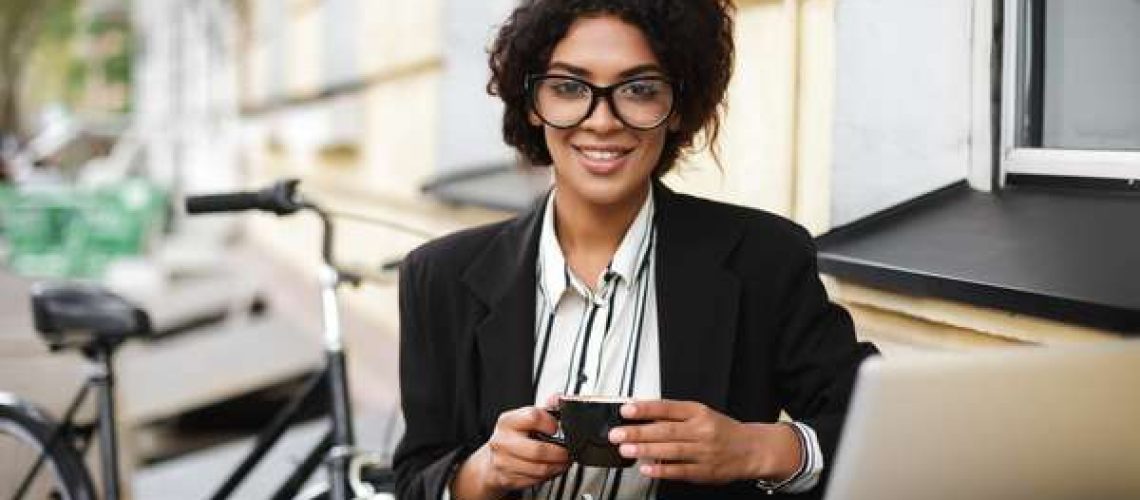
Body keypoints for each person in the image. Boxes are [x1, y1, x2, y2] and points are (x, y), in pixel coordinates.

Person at [394, 1, 878, 498]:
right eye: (568, 87)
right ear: (533, 104)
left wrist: (756, 448)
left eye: (640, 89)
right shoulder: (440, 277)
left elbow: (878, 427)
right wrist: (483, 472)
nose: (602, 121)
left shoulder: (763, 260)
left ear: (679, 107)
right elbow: (414, 479)